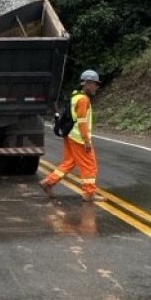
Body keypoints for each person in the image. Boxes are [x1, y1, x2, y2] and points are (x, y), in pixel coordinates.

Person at [39, 69, 106, 202]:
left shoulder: (75, 96)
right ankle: (89, 193)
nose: (97, 87)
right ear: (87, 83)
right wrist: (86, 140)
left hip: (70, 135)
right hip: (79, 138)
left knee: (69, 162)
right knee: (90, 165)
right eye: (95, 84)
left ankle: (48, 182)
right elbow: (81, 121)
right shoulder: (83, 100)